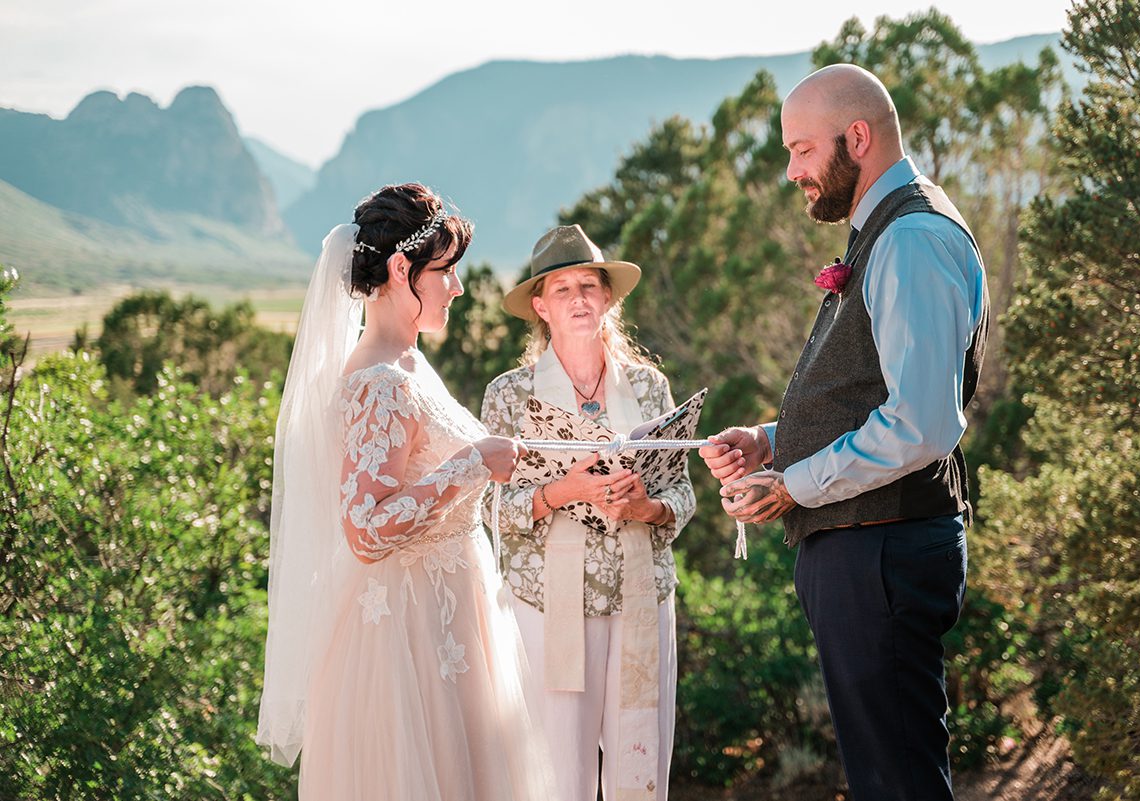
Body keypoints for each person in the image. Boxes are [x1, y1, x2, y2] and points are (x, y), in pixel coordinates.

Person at [699, 64, 989, 801]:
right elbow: (874, 393)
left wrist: (791, 483)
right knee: (886, 772)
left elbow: (921, 422)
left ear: (857, 138)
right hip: (868, 548)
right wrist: (771, 441)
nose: (793, 170)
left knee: (898, 780)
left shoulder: (912, 238)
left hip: (882, 549)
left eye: (802, 149)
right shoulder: (885, 232)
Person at [256, 183, 557, 800]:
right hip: (405, 637)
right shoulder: (376, 384)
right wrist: (471, 464)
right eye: (446, 271)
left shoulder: (412, 363)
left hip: (454, 617)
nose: (458, 287)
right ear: (401, 270)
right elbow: (365, 529)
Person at [481, 224, 695, 801]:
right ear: (539, 306)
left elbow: (684, 494)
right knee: (556, 774)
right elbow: (488, 506)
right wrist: (564, 490)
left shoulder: (650, 388)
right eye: (561, 289)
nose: (578, 298)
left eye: (588, 286)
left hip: (640, 599)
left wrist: (645, 504)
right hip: (547, 604)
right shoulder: (509, 394)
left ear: (607, 299)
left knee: (639, 763)